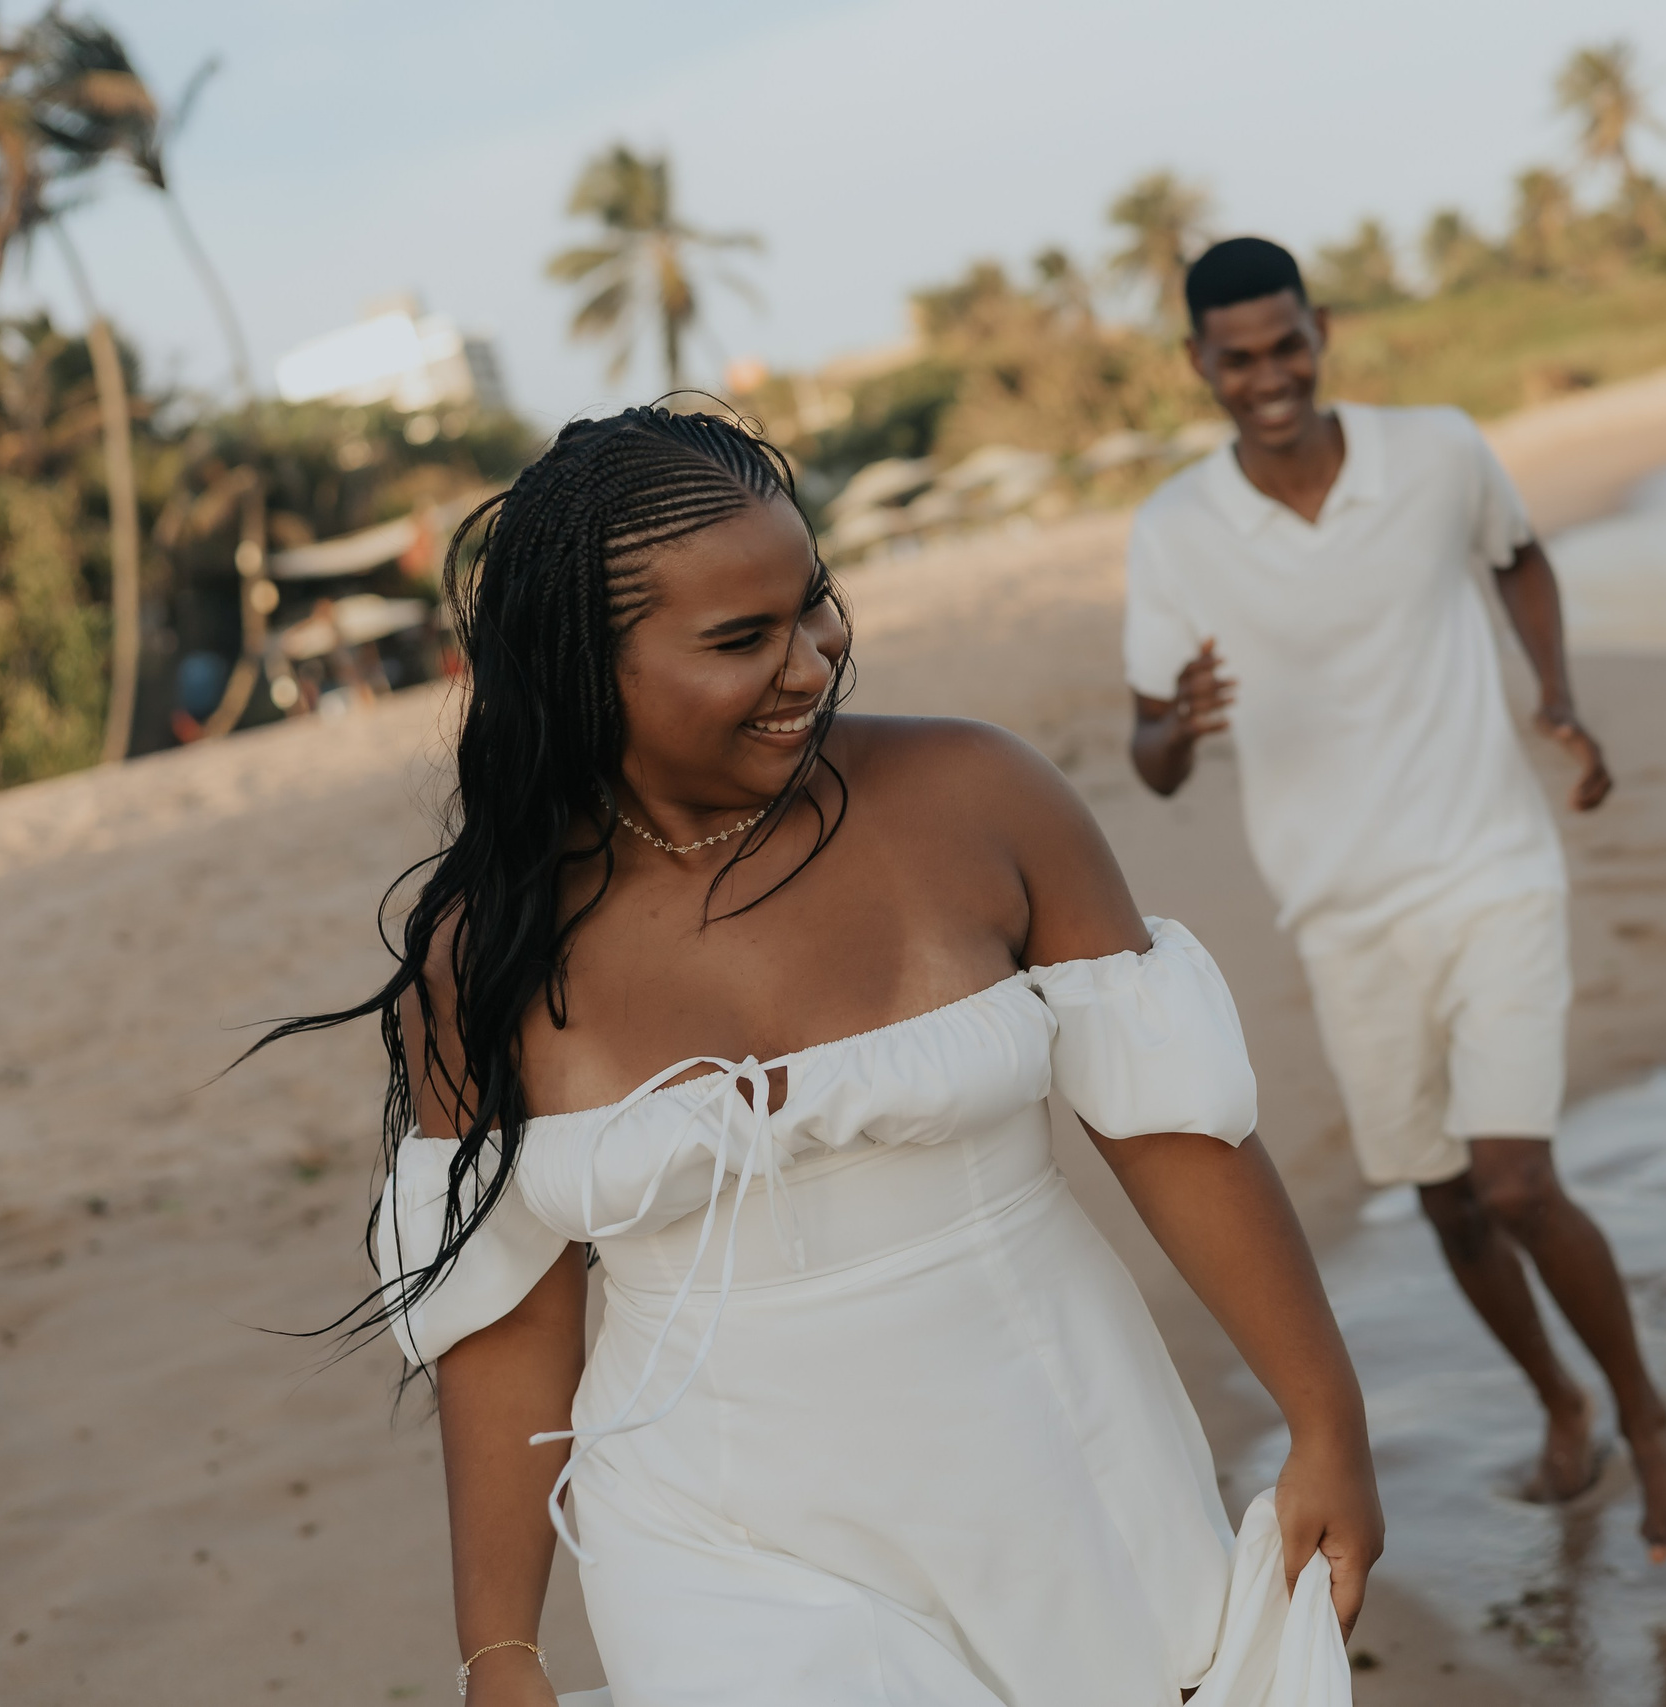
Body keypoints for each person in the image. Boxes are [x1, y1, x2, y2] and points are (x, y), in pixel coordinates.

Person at [260, 406, 1380, 1707]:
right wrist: (500, 1645)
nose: (810, 663)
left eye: (815, 605)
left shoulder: (978, 799)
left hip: (1052, 1462)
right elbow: (511, 1317)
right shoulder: (490, 953)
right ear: (582, 670)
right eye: (742, 640)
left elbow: (1173, 1132)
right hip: (706, 1542)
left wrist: (1326, 1420)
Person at [1122, 238, 1666, 1563]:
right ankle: (1560, 1404)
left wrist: (1556, 693)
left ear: (1321, 330)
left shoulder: (1438, 451)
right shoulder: (1174, 530)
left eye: (1286, 345)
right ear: (1199, 364)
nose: (1268, 377)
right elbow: (1150, 754)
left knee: (1514, 1180)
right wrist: (1178, 724)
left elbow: (1519, 556)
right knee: (1446, 1200)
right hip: (1340, 913)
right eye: (1237, 358)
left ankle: (1648, 1417)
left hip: (1490, 864)